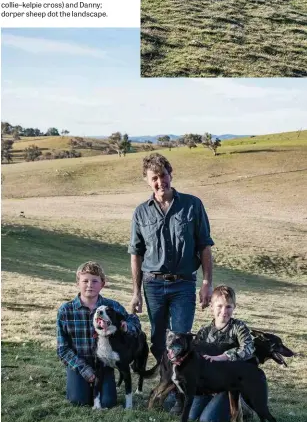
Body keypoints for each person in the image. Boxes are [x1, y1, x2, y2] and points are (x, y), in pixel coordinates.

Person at [129, 152, 214, 365]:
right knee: (158, 341)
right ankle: (165, 381)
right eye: (154, 178)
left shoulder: (193, 205)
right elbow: (136, 253)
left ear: (171, 174)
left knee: (181, 339)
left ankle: (179, 391)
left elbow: (204, 245)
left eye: (163, 175)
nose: (160, 182)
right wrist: (136, 292)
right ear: (147, 181)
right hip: (153, 285)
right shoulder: (141, 213)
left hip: (183, 284)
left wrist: (206, 283)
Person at [57, 260, 141, 408]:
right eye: (85, 281)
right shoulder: (66, 310)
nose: (90, 285)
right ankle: (82, 385)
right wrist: (85, 370)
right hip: (80, 362)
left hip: (104, 362)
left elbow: (134, 320)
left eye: (95, 281)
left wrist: (128, 326)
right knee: (79, 401)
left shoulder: (111, 307)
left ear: (102, 284)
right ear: (77, 283)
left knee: (108, 402)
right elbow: (62, 349)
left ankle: (100, 388)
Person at [189, 285, 256, 422]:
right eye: (219, 306)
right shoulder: (204, 332)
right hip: (207, 383)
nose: (224, 311)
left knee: (207, 420)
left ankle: (244, 408)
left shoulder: (239, 328)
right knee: (191, 417)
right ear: (211, 307)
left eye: (229, 307)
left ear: (234, 307)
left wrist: (224, 356)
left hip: (229, 385)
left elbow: (249, 349)